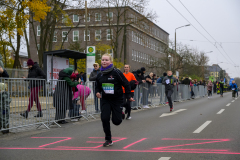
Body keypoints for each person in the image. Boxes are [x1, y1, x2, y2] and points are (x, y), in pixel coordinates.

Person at [95, 54, 133, 147]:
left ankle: (120, 113)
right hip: (105, 100)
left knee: (117, 121)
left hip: (117, 99)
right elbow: (97, 86)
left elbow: (126, 83)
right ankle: (108, 139)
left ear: (110, 62)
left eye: (106, 60)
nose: (104, 61)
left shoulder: (116, 72)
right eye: (103, 60)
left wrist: (128, 96)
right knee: (104, 118)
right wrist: (97, 92)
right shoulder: (99, 73)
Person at [0, 67, 11, 134]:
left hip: (1, 92)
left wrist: (2, 71)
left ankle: (5, 126)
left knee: (3, 110)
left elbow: (7, 76)